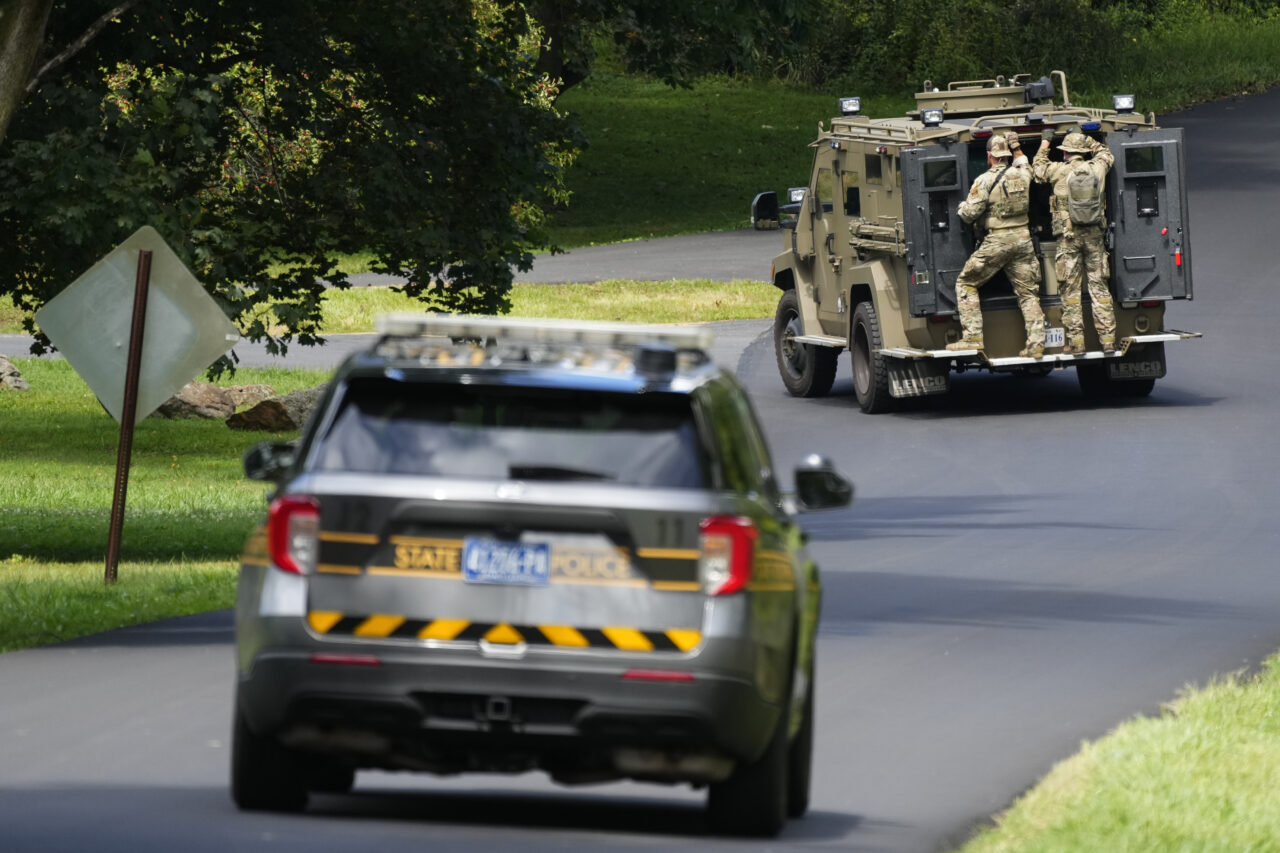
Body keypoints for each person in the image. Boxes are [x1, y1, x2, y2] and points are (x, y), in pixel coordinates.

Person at [946, 132, 1045, 358]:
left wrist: (961, 206)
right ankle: (1037, 344)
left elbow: (969, 215)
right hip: (1023, 239)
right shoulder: (1024, 174)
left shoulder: (984, 180)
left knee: (965, 283)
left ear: (990, 156)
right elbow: (1024, 162)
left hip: (997, 241)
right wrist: (1016, 144)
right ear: (1007, 156)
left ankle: (972, 338)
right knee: (1028, 294)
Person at [1032, 130, 1116, 354]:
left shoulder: (1059, 170)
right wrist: (1088, 139)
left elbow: (1037, 169)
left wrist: (1045, 142)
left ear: (1066, 153)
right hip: (1094, 238)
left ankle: (1077, 344)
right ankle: (1108, 341)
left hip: (1068, 239)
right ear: (1083, 152)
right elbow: (1106, 153)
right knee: (1099, 289)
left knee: (1070, 292)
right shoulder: (1097, 167)